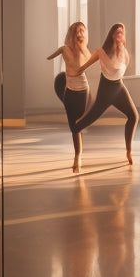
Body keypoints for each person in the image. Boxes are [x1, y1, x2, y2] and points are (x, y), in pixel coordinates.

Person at [72, 23, 138, 165]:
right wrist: (79, 70)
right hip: (105, 92)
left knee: (134, 116)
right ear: (112, 35)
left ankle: (129, 152)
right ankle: (78, 155)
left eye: (122, 32)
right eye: (117, 32)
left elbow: (119, 73)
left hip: (119, 89)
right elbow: (87, 64)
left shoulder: (125, 53)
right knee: (79, 125)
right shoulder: (102, 52)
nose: (120, 34)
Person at [47, 22, 92, 173]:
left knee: (78, 125)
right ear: (72, 34)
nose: (80, 34)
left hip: (83, 91)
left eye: (82, 31)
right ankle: (77, 156)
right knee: (73, 127)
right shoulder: (65, 49)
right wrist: (51, 56)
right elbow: (54, 54)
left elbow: (86, 64)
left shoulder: (87, 52)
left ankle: (79, 154)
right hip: (70, 91)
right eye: (77, 32)